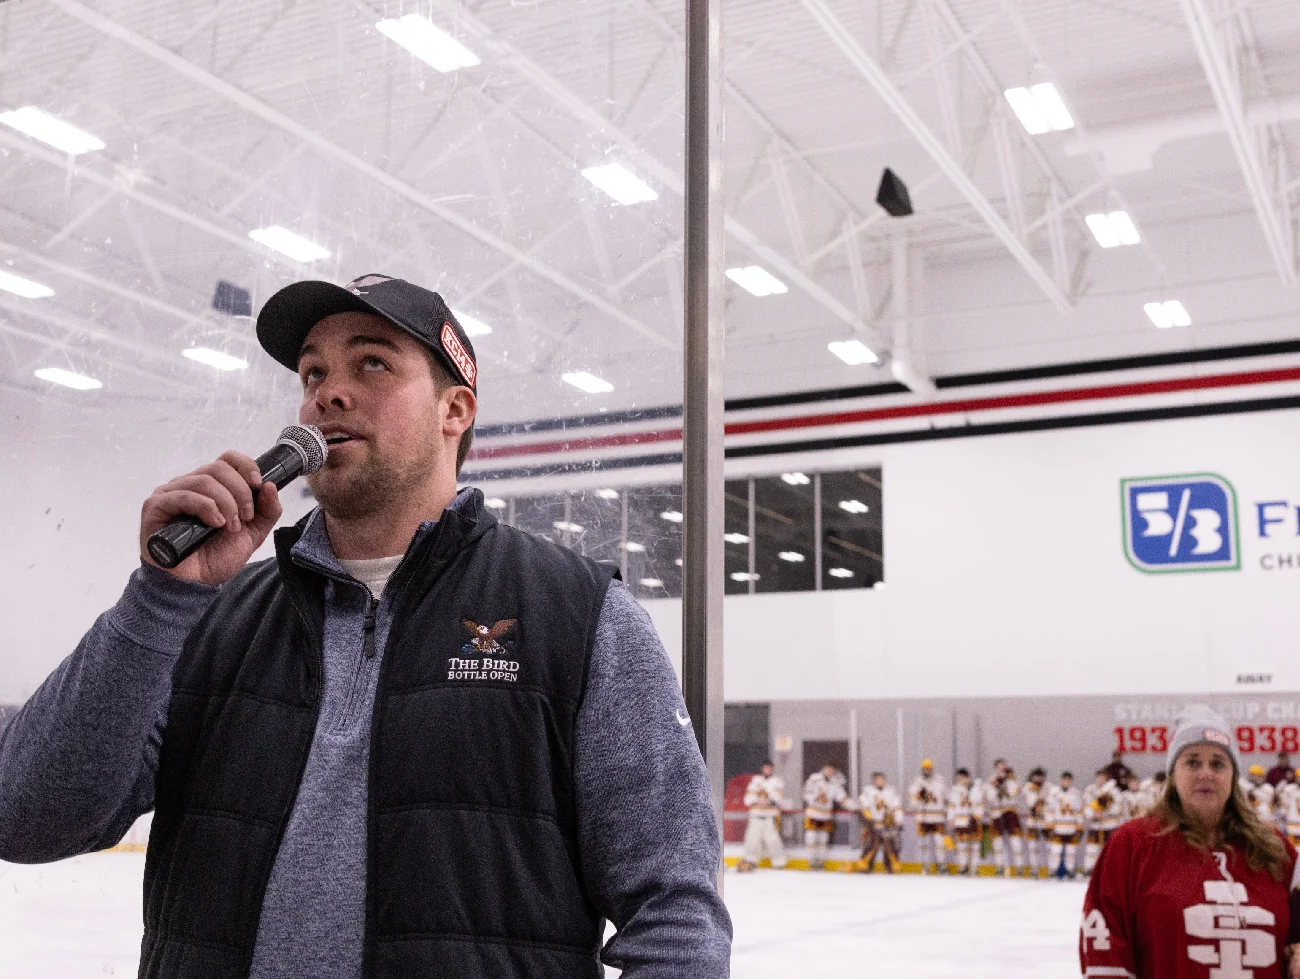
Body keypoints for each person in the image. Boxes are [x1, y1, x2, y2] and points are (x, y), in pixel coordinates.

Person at [0, 274, 732, 979]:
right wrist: (158, 601)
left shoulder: (579, 616)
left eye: (372, 362)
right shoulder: (208, 621)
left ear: (456, 409)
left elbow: (673, 913)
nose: (327, 392)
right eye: (312, 373)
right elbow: (26, 815)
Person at [1080, 706, 1300, 978]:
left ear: (1233, 776)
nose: (1206, 773)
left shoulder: (1273, 848)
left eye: (1218, 763)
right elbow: (1105, 943)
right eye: (1192, 762)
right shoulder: (1132, 845)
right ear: (1173, 774)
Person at [739, 760, 786, 872]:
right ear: (762, 769)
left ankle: (779, 862)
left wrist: (768, 800)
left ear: (772, 769)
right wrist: (757, 800)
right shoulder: (755, 781)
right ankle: (751, 861)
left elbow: (779, 799)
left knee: (773, 840)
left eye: (769, 768)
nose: (767, 770)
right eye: (765, 768)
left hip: (770, 816)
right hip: (756, 814)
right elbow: (747, 799)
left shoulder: (777, 782)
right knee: (752, 839)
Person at [853, 772, 903, 873]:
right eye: (878, 779)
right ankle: (865, 865)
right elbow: (863, 806)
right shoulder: (867, 791)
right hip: (873, 823)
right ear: (873, 781)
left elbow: (897, 807)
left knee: (890, 847)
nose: (880, 781)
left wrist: (898, 821)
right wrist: (868, 819)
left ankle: (891, 867)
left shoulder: (891, 792)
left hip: (887, 824)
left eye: (882, 779)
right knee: (871, 846)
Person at [983, 759, 1025, 877]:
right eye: (999, 766)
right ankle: (1000, 867)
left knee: (1016, 841)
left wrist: (1007, 781)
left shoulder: (1012, 778)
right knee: (998, 843)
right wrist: (997, 787)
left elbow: (1014, 792)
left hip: (1010, 811)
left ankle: (1019, 867)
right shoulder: (990, 780)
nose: (1002, 768)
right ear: (996, 768)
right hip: (996, 812)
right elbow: (989, 796)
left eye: (1004, 766)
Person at [803, 764, 849, 870]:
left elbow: (842, 798)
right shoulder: (814, 779)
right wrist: (816, 798)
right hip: (813, 813)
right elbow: (806, 794)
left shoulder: (835, 783)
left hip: (826, 815)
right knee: (811, 838)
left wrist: (854, 805)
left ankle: (820, 862)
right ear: (823, 769)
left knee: (823, 840)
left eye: (831, 769)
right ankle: (812, 861)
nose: (829, 771)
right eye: (827, 769)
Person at [908, 759, 948, 874]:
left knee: (939, 842)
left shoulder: (940, 782)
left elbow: (947, 799)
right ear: (922, 770)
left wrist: (947, 814)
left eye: (929, 768)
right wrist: (919, 795)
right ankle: (925, 865)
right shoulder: (916, 784)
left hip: (937, 816)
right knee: (923, 843)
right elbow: (912, 803)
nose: (927, 770)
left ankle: (942, 866)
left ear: (932, 769)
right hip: (923, 816)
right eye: (925, 768)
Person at [1083, 769, 1122, 875]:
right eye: (1099, 777)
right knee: (1092, 848)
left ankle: (1110, 870)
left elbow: (1118, 807)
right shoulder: (1090, 790)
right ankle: (1089, 869)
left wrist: (1106, 810)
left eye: (1103, 777)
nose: (1101, 779)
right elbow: (1086, 806)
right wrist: (1093, 813)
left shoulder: (1114, 791)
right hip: (1095, 824)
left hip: (1109, 823)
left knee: (1109, 849)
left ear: (1106, 778)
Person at [1048, 772, 1084, 879]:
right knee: (1056, 850)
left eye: (1069, 780)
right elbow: (1049, 810)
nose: (1067, 782)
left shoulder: (1076, 793)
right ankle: (1053, 870)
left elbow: (1079, 810)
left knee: (1071, 851)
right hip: (1058, 825)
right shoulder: (1053, 793)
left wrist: (1079, 825)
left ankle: (1070, 870)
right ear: (1061, 780)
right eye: (1065, 779)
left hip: (1071, 825)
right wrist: (1050, 825)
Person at [947, 768, 979, 876]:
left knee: (975, 845)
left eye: (964, 777)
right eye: (960, 777)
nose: (961, 779)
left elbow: (979, 803)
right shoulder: (954, 790)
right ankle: (963, 866)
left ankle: (974, 868)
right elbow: (951, 805)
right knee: (961, 845)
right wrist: (951, 819)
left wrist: (977, 814)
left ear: (968, 777)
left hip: (972, 818)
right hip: (960, 820)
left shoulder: (974, 788)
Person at [1022, 767, 1052, 879]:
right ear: (1032, 777)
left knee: (1048, 846)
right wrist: (1038, 798)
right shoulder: (1028, 787)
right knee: (1032, 846)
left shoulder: (1049, 787)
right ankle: (1034, 868)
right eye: (1036, 776)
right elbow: (1030, 803)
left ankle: (1049, 868)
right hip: (1032, 819)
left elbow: (1050, 802)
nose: (1038, 778)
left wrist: (1043, 801)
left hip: (1045, 819)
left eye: (1041, 776)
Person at [1246, 764, 1280, 830]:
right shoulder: (1248, 787)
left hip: (1265, 818)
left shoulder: (1268, 789)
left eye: (1253, 775)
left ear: (1260, 776)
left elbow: (1270, 802)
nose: (1251, 777)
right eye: (1251, 775)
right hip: (1252, 818)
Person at [1279, 773, 1300, 846]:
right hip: (1293, 822)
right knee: (1293, 846)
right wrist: (1284, 812)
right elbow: (1283, 802)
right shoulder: (1289, 789)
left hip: (1294, 821)